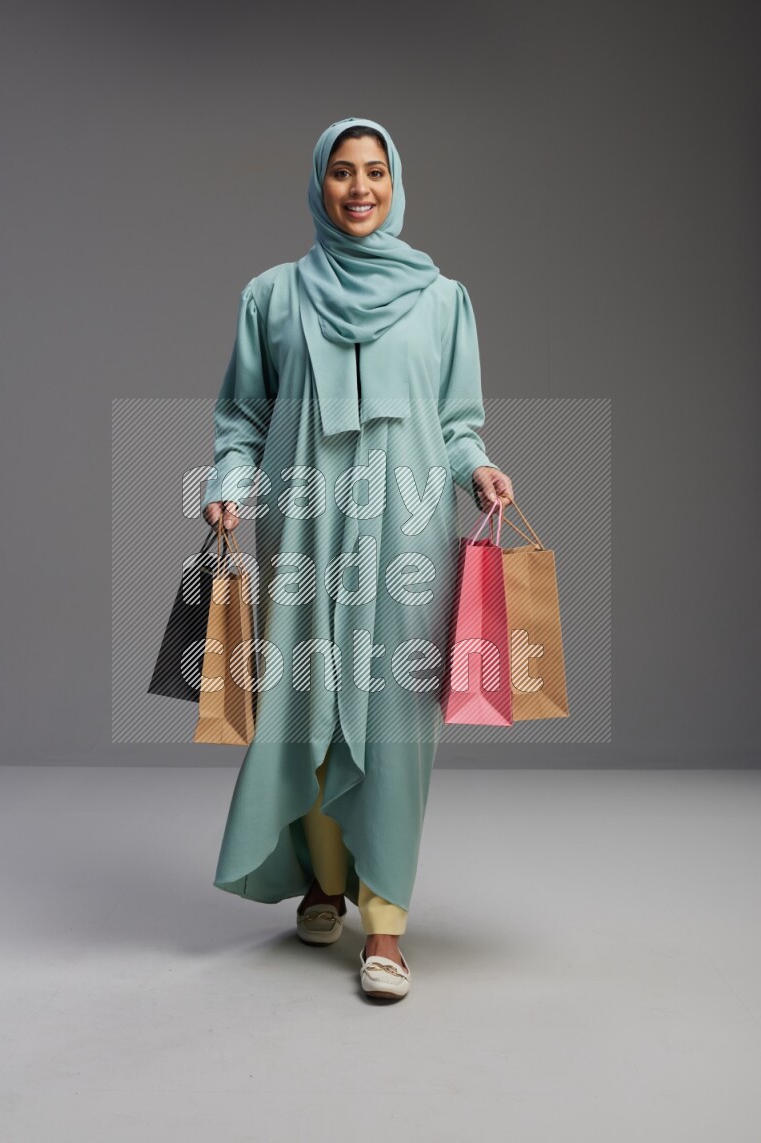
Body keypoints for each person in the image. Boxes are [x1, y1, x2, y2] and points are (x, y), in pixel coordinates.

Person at [202, 116, 514, 1001]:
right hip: (302, 527)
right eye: (342, 172)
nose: (360, 187)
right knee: (304, 708)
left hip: (405, 534)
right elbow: (242, 418)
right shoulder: (271, 296)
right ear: (319, 183)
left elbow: (456, 424)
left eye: (375, 171)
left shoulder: (443, 299)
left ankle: (386, 925)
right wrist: (227, 478)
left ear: (396, 180)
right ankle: (324, 880)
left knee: (394, 724)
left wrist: (478, 465)